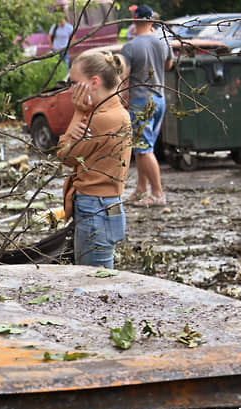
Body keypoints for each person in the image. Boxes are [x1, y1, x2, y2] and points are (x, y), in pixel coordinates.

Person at [57, 51, 133, 269]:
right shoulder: (114, 112)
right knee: (97, 278)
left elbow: (65, 155)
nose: (71, 89)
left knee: (94, 281)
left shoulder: (101, 119)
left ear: (94, 82)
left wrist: (77, 113)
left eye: (74, 83)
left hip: (95, 209)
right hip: (102, 207)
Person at [121, 4, 173, 207]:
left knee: (143, 149)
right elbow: (168, 66)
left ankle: (158, 193)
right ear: (152, 20)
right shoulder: (163, 40)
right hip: (159, 99)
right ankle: (141, 190)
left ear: (134, 22)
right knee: (142, 146)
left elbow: (123, 75)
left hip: (141, 102)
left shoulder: (131, 47)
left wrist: (120, 98)